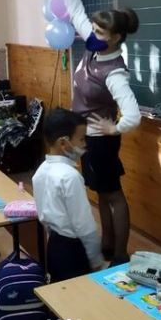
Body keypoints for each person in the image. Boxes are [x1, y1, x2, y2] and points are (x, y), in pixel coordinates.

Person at [51, 0, 141, 263]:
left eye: (100, 31)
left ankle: (120, 254)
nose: (93, 33)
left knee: (113, 194)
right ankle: (107, 243)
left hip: (101, 141)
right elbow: (76, 11)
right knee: (101, 192)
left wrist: (115, 128)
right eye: (94, 28)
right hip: (87, 137)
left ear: (115, 38)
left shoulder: (114, 72)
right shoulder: (94, 47)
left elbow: (133, 114)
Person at [32, 108, 104, 282]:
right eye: (81, 139)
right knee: (80, 292)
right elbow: (85, 226)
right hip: (73, 251)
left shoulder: (40, 172)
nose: (85, 144)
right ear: (63, 143)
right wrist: (96, 261)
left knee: (60, 289)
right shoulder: (70, 176)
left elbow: (43, 217)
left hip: (54, 246)